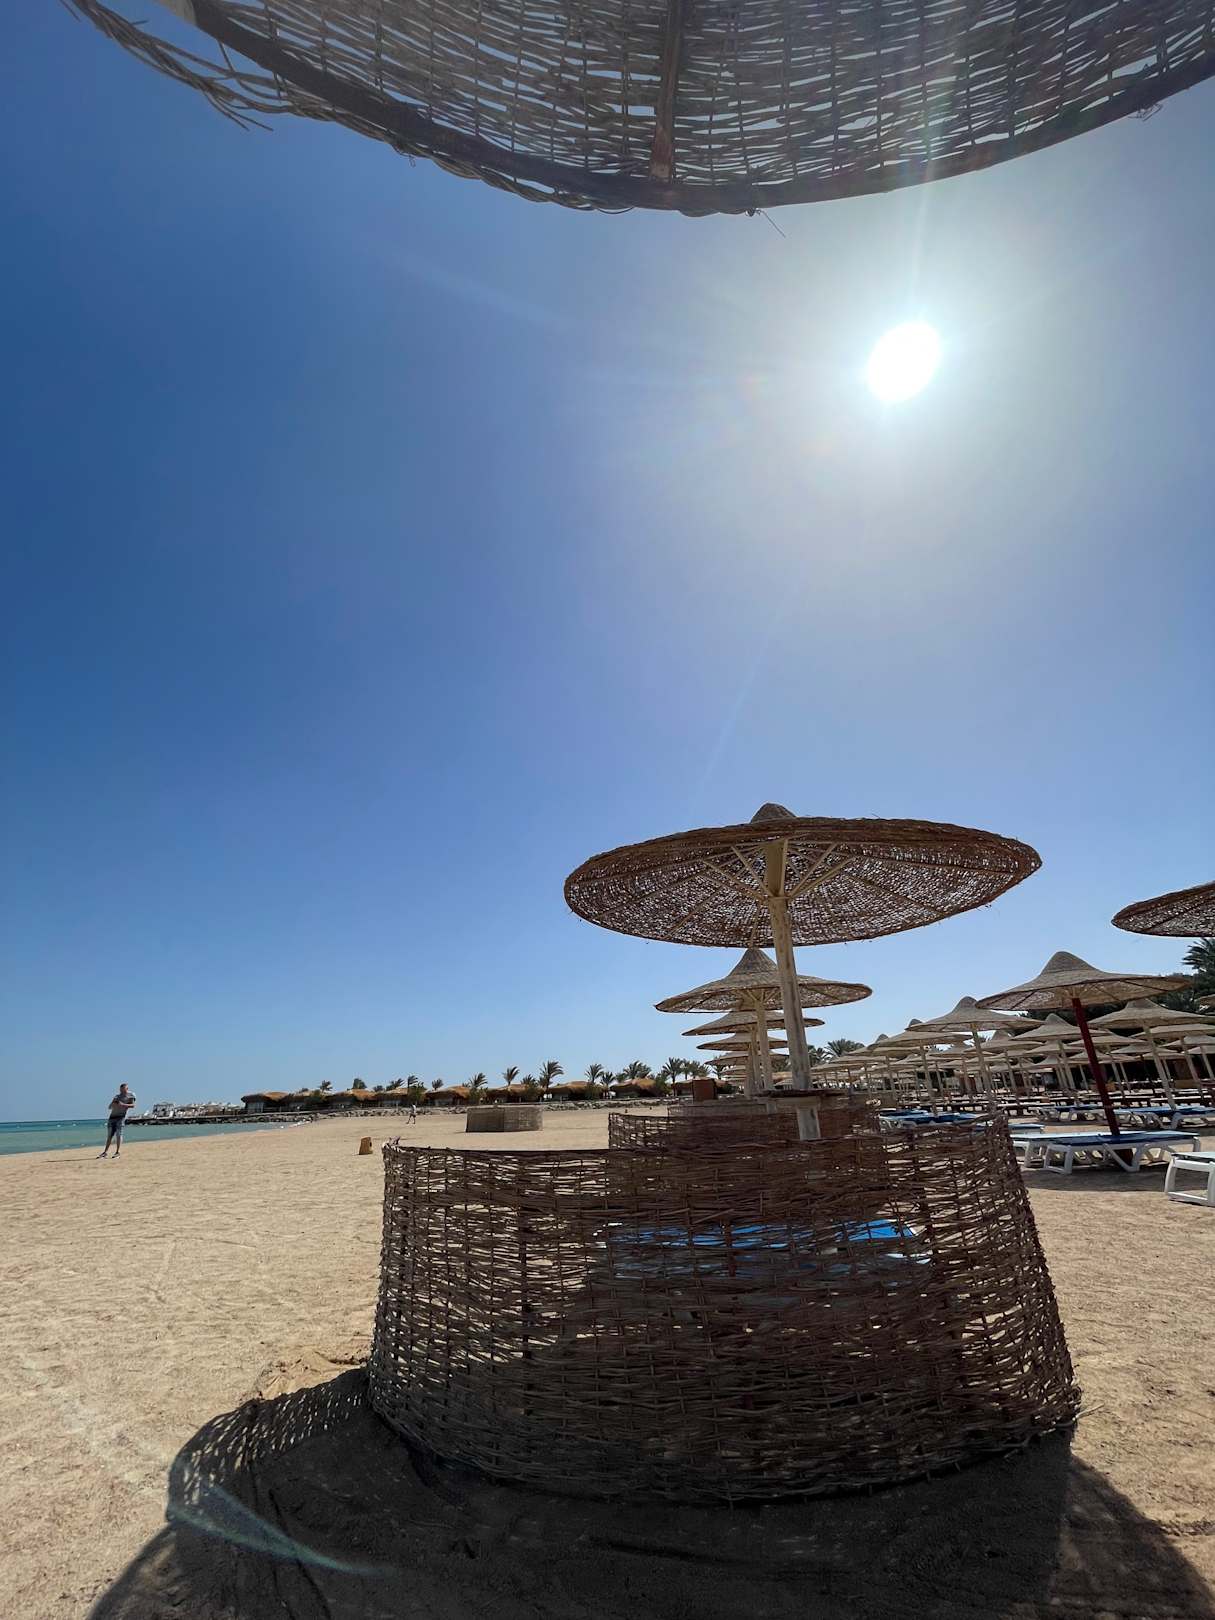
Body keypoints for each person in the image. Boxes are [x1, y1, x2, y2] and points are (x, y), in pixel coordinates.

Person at [100, 1084, 137, 1158]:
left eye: (123, 1090)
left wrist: (123, 1104)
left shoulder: (131, 1095)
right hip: (112, 1117)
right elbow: (109, 1107)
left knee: (119, 1134)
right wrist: (113, 1103)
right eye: (121, 1090)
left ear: (127, 1089)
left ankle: (117, 1152)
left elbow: (133, 1105)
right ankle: (105, 1152)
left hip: (121, 1117)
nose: (122, 1091)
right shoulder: (117, 1096)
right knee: (109, 1136)